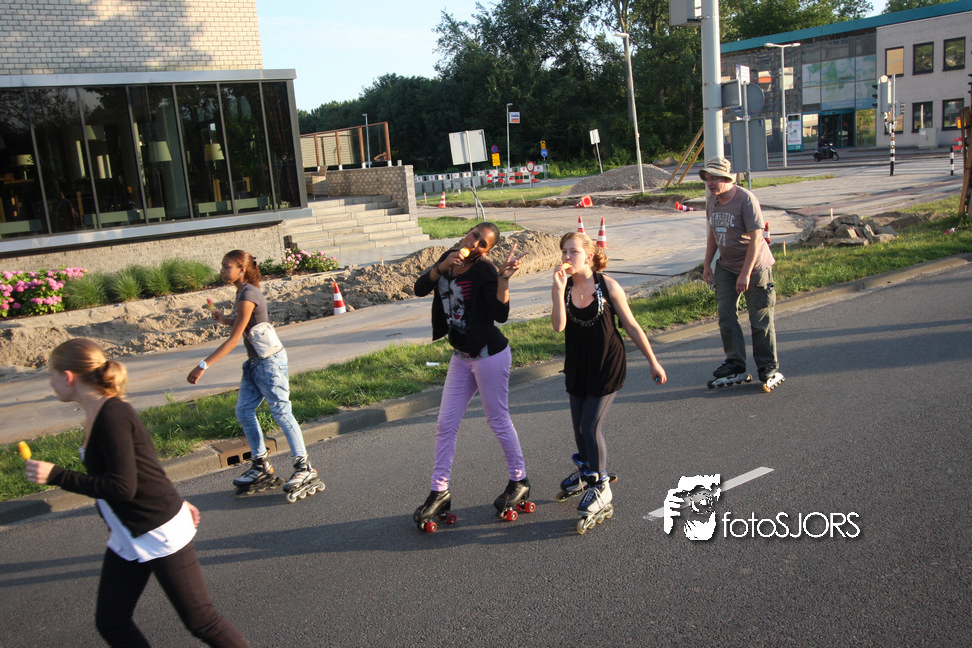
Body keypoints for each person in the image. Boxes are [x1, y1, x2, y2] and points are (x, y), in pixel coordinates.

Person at [24, 338, 249, 647]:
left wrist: (57, 476)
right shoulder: (98, 411)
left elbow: (122, 486)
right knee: (112, 622)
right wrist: (177, 499)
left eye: (51, 375)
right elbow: (143, 463)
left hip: (156, 529)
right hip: (129, 531)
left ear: (68, 377)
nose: (50, 383)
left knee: (202, 621)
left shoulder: (112, 414)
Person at [411, 222, 531, 529]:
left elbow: (500, 315)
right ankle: (439, 490)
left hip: (490, 355)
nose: (475, 244)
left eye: (483, 244)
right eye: (475, 236)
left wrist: (504, 280)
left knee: (497, 419)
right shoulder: (448, 258)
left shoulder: (484, 270)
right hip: (462, 357)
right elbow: (420, 287)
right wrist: (441, 268)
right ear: (468, 233)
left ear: (486, 251)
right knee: (445, 425)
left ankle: (519, 480)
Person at [550, 232, 667, 524]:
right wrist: (557, 290)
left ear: (588, 257)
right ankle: (586, 469)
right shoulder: (564, 287)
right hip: (577, 366)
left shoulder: (608, 286)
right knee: (578, 428)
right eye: (564, 251)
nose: (567, 257)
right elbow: (558, 326)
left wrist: (653, 362)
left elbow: (632, 325)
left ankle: (600, 485)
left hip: (607, 365)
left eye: (573, 252)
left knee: (590, 426)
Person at [187, 250, 319, 497]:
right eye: (222, 266)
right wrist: (225, 319)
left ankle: (304, 466)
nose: (222, 270)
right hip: (255, 362)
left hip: (270, 363)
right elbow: (246, 324)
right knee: (244, 410)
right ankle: (261, 465)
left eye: (227, 266)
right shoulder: (242, 292)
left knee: (281, 411)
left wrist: (203, 365)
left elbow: (233, 339)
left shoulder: (248, 294)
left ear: (242, 269)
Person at [699, 157, 784, 390]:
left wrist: (745, 274)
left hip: (755, 267)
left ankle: (767, 366)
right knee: (726, 315)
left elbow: (756, 238)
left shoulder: (746, 200)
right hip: (726, 266)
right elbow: (713, 234)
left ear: (727, 179)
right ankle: (735, 363)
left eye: (715, 178)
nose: (710, 183)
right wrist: (707, 264)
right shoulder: (712, 201)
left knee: (759, 318)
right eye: (708, 178)